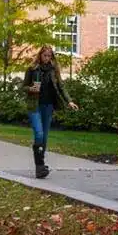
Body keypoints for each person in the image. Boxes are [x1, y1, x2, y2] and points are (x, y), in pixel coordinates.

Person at [22, 44, 78, 178]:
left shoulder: (53, 70)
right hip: (34, 106)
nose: (47, 58)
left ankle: (40, 166)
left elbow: (61, 86)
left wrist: (69, 100)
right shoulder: (32, 69)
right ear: (40, 55)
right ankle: (40, 166)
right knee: (39, 134)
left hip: (48, 106)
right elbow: (24, 86)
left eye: (49, 56)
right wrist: (31, 89)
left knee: (44, 137)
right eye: (44, 55)